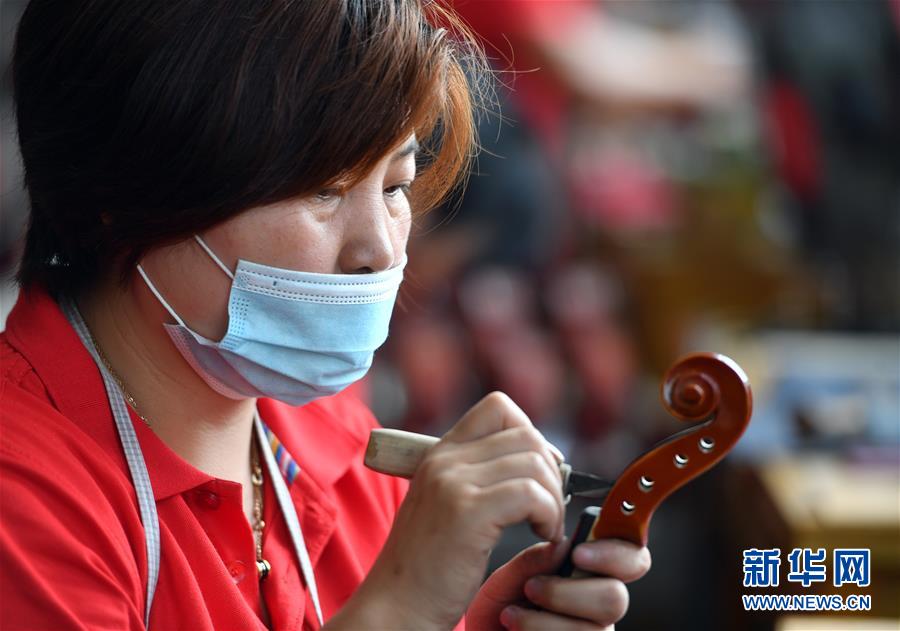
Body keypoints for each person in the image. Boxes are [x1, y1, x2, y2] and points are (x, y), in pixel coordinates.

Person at [0, 1, 650, 629]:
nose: (380, 250)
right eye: (324, 189)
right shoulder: (22, 491)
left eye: (395, 186)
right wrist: (401, 610)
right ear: (120, 195)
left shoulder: (332, 434)